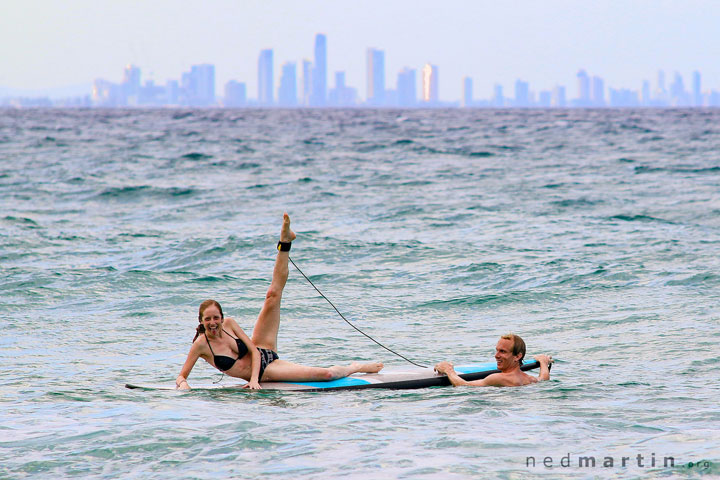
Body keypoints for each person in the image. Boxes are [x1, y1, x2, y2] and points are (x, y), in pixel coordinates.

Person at [176, 213, 383, 390]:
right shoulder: (200, 346)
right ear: (201, 321)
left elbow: (254, 352)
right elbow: (181, 376)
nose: (213, 322)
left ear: (221, 318)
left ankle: (285, 242)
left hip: (261, 353)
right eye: (208, 319)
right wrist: (184, 385)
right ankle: (355, 366)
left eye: (216, 318)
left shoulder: (229, 323)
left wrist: (254, 381)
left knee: (272, 296)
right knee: (327, 375)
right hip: (269, 370)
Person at [434, 334, 553, 387]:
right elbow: (543, 378)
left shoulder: (498, 378)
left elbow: (464, 385)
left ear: (517, 356)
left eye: (503, 351)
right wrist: (543, 362)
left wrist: (448, 370)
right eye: (497, 350)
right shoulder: (529, 379)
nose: (496, 355)